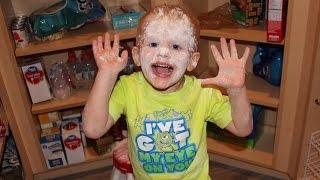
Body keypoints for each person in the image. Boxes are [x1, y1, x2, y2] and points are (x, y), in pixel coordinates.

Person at [83, 5, 252, 180]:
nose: (163, 53)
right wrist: (106, 75)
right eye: (153, 44)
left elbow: (243, 128)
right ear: (137, 55)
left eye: (176, 46)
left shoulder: (203, 92)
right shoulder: (128, 88)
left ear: (192, 61)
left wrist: (237, 90)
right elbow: (93, 129)